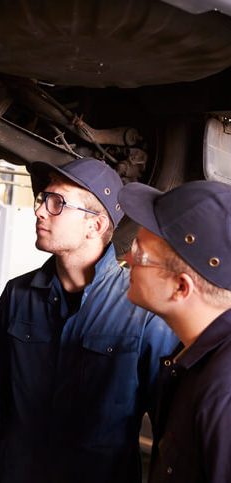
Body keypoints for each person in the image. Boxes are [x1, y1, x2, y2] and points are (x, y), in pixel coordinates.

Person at [0, 158, 178, 483]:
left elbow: (171, 430)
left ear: (96, 225)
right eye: (42, 200)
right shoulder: (18, 295)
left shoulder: (142, 309)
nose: (39, 211)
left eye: (56, 203)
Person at [118, 180, 231, 483]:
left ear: (181, 287)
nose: (127, 259)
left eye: (139, 254)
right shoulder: (195, 362)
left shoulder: (224, 394)